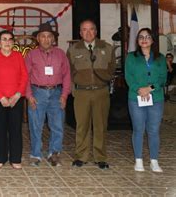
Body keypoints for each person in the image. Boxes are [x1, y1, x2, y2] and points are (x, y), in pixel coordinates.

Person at [67, 20, 115, 169]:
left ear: (96, 31)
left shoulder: (107, 48)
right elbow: (68, 72)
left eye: (91, 29)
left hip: (101, 91)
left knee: (100, 126)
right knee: (82, 126)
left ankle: (100, 157)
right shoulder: (73, 49)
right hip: (81, 93)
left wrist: (103, 79)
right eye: (84, 30)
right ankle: (81, 156)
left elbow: (112, 69)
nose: (88, 33)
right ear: (80, 33)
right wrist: (73, 90)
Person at [26, 23, 71, 167]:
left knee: (57, 125)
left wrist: (64, 95)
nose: (46, 39)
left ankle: (54, 153)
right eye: (43, 36)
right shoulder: (31, 55)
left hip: (56, 93)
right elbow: (24, 76)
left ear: (53, 39)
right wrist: (29, 95)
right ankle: (35, 154)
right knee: (35, 125)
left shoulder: (61, 54)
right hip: (37, 92)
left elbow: (67, 76)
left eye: (49, 36)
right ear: (38, 38)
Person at [125, 28, 167, 172]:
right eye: (141, 37)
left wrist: (150, 88)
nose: (144, 39)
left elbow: (163, 78)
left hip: (156, 98)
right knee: (138, 129)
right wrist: (139, 89)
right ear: (137, 41)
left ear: (152, 40)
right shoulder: (131, 57)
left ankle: (154, 161)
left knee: (154, 130)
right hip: (136, 98)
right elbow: (128, 77)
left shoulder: (160, 58)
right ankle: (139, 160)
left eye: (148, 36)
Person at [0, 30, 28, 169]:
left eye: (10, 39)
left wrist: (17, 95)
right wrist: (1, 97)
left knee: (15, 129)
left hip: (16, 99)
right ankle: (0, 158)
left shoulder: (18, 56)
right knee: (1, 129)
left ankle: (15, 158)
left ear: (13, 42)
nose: (7, 42)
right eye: (4, 39)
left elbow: (24, 77)